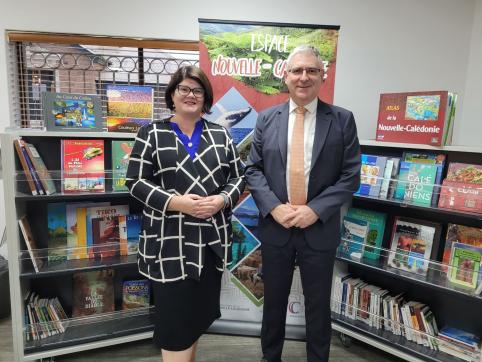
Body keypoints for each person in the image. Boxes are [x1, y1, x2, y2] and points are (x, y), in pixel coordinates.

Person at [245, 45, 361, 362]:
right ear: (286, 76)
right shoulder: (267, 119)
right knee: (273, 305)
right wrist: (274, 207)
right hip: (276, 227)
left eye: (311, 70)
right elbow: (252, 170)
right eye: (297, 70)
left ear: (322, 76)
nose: (304, 77)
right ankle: (270, 358)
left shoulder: (342, 120)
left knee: (318, 306)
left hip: (318, 229)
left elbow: (351, 176)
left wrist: (315, 210)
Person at [125, 65, 245, 362]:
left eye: (197, 90)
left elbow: (239, 177)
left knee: (194, 321)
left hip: (209, 244)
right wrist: (178, 203)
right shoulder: (150, 133)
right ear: (173, 94)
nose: (191, 95)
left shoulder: (221, 135)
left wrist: (221, 199)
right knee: (175, 327)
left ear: (205, 97)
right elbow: (135, 182)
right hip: (168, 245)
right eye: (184, 89)